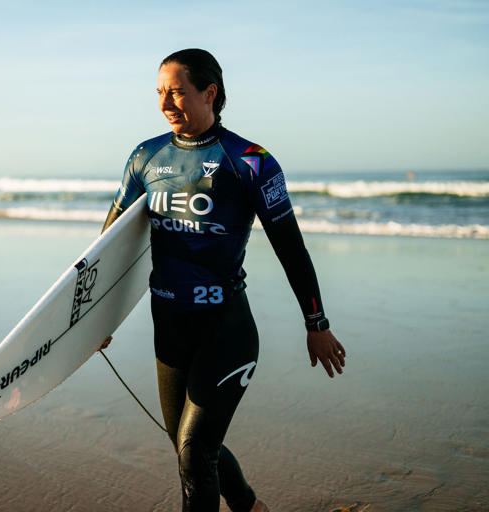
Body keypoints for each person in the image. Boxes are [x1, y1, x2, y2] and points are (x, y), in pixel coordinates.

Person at [99, 49, 346, 512]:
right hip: (169, 326)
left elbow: (290, 247)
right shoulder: (145, 156)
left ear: (209, 93)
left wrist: (317, 323)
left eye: (177, 92)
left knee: (194, 452)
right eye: (159, 93)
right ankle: (251, 507)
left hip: (224, 327)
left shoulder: (251, 161)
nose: (165, 103)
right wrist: (92, 321)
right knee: (189, 447)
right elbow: (109, 245)